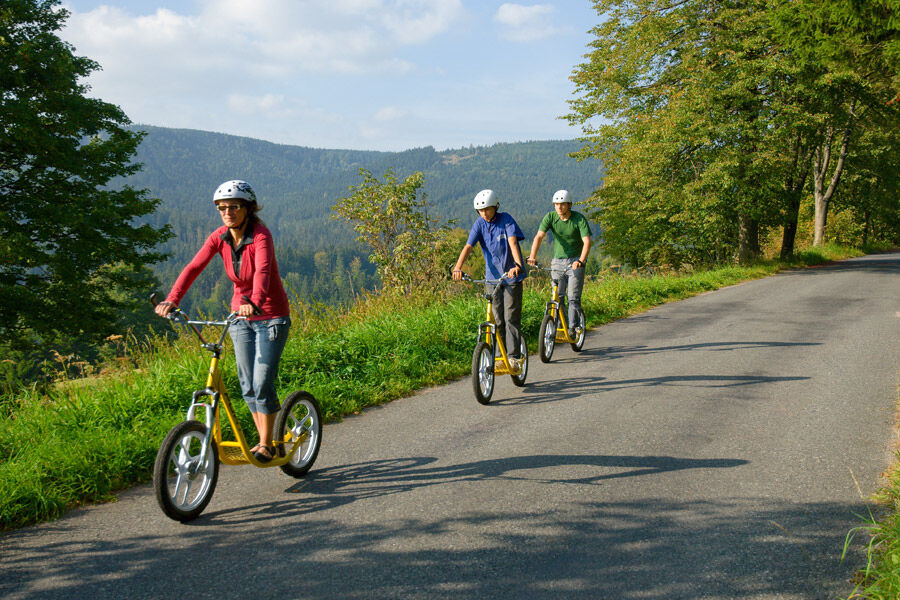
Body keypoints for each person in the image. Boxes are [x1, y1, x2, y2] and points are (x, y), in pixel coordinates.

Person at [155, 180, 291, 463]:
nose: (227, 212)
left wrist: (254, 301)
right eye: (222, 208)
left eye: (233, 207)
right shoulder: (219, 237)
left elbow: (264, 271)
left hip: (271, 316)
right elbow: (194, 267)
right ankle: (265, 439)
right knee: (247, 383)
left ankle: (267, 443)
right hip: (239, 317)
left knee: (262, 380)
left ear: (248, 209)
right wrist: (173, 298)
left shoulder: (261, 236)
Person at [451, 189, 527, 367]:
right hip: (492, 279)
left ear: (496, 207)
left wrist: (517, 265)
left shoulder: (505, 219)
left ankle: (514, 357)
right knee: (497, 320)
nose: (484, 213)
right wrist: (458, 267)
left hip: (512, 277)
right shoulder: (479, 224)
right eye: (481, 210)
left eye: (488, 209)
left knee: (510, 318)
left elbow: (513, 242)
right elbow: (468, 246)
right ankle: (500, 357)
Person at [526, 189, 592, 336]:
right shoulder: (550, 217)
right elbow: (539, 237)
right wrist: (532, 256)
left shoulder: (578, 219)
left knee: (573, 297)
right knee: (557, 296)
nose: (559, 207)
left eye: (562, 204)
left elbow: (587, 242)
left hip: (576, 261)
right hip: (557, 262)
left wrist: (581, 260)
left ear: (569, 205)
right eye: (556, 204)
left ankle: (573, 327)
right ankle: (558, 326)